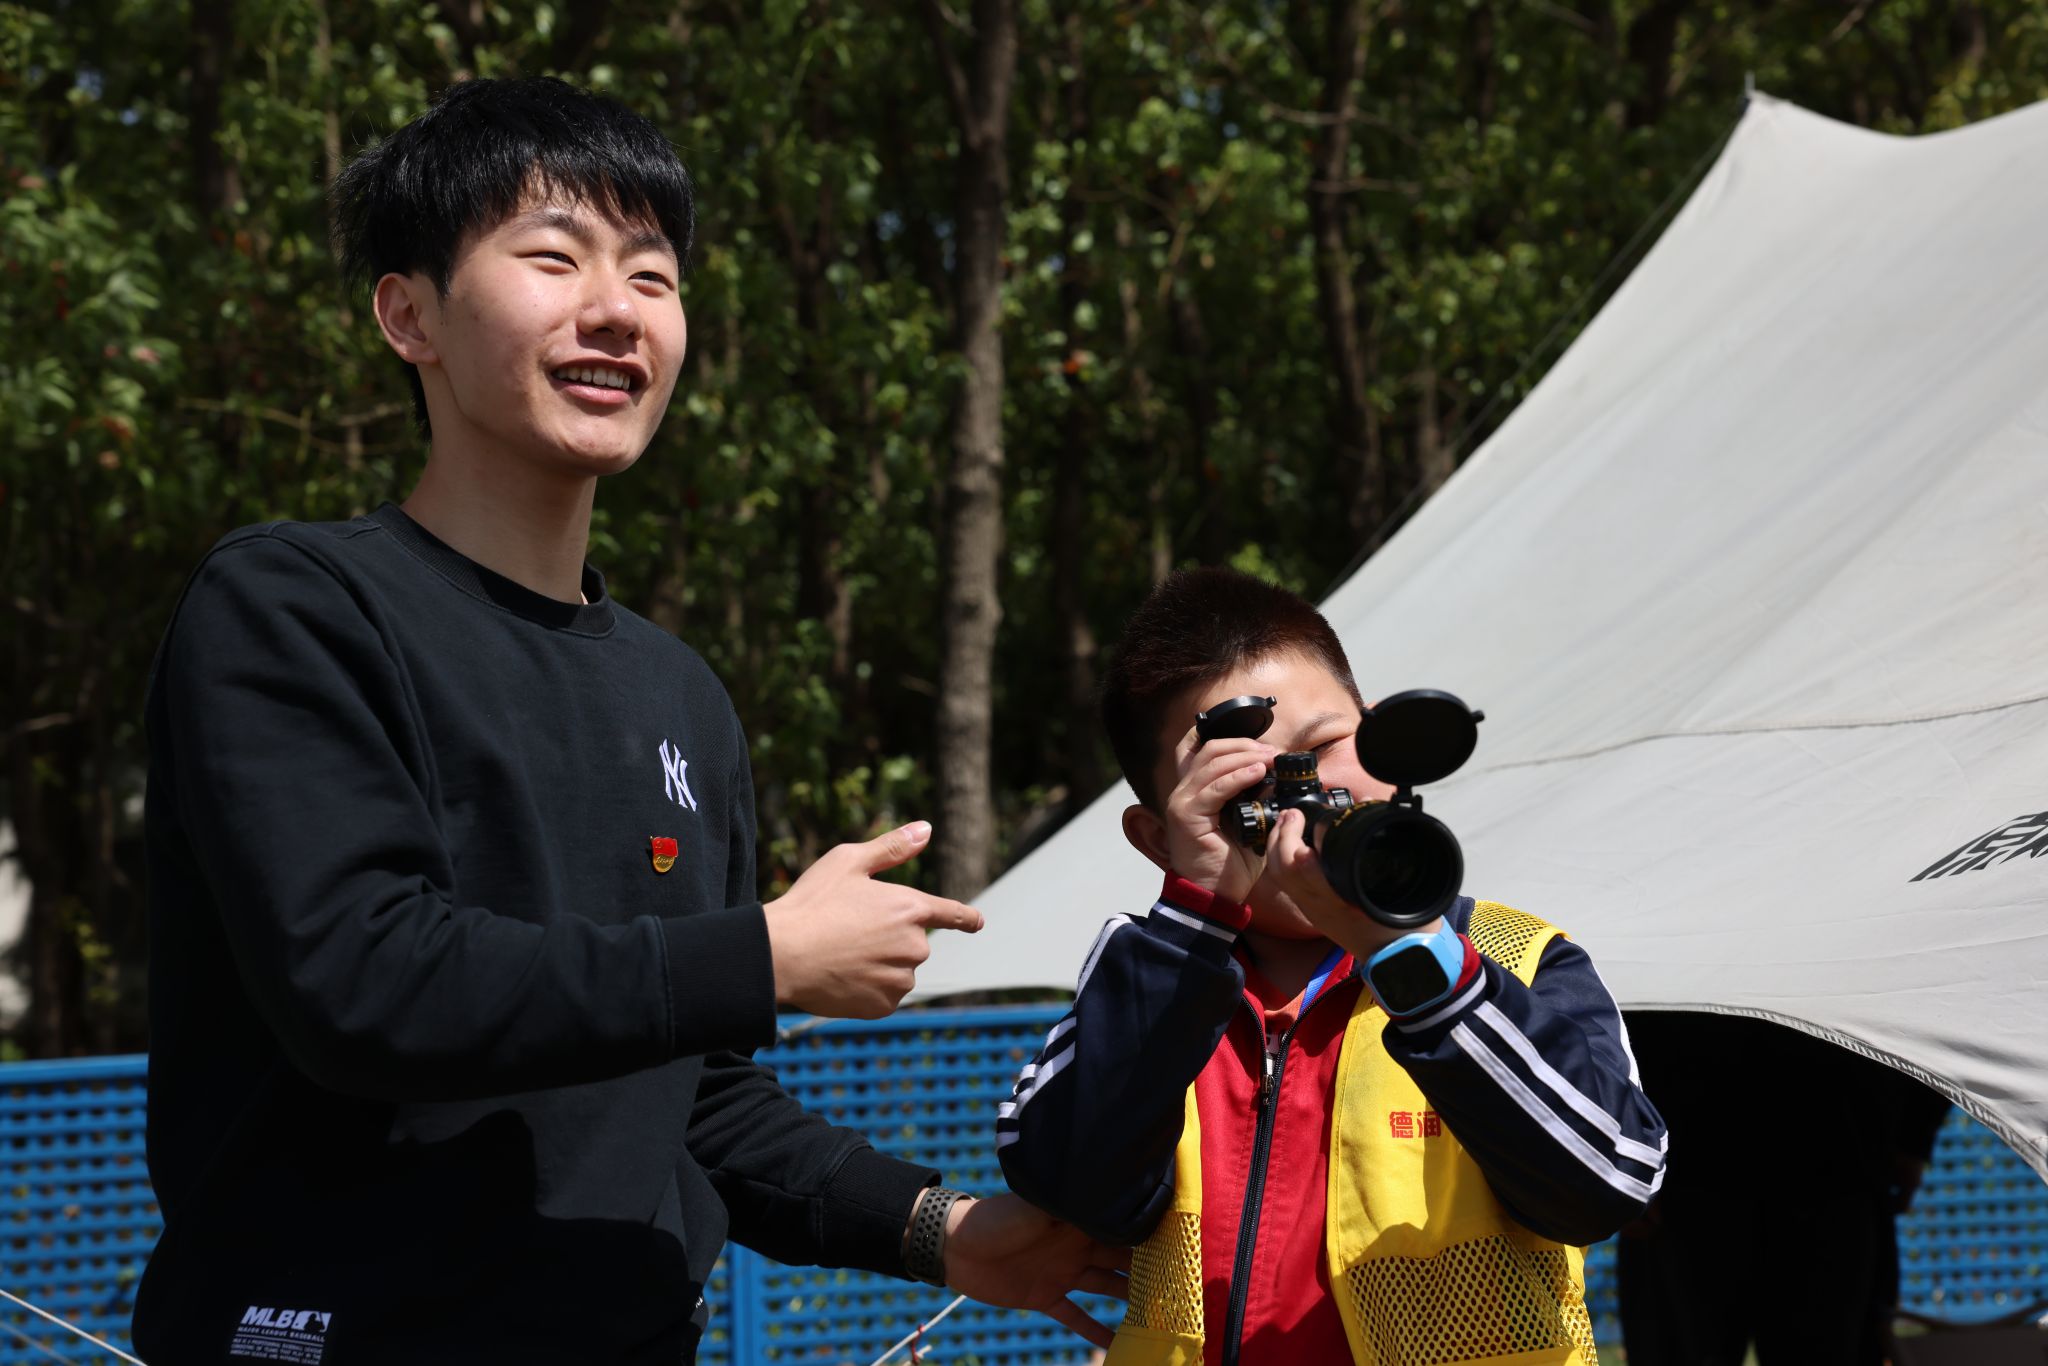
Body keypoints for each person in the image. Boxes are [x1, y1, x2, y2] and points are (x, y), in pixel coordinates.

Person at [136, 77, 1124, 1365]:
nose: (615, 309)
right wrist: (758, 953)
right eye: (554, 258)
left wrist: (943, 1229)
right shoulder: (291, 604)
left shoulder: (681, 697)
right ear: (408, 314)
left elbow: (685, 1095)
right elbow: (366, 982)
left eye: (651, 275)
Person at [996, 567, 1668, 1364]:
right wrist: (1191, 924)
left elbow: (1610, 1182)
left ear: (1383, 738)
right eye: (1240, 783)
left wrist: (1414, 964)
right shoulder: (1152, 983)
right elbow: (1071, 1188)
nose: (1303, 796)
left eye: (1322, 748)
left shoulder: (1512, 959)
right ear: (1159, 837)